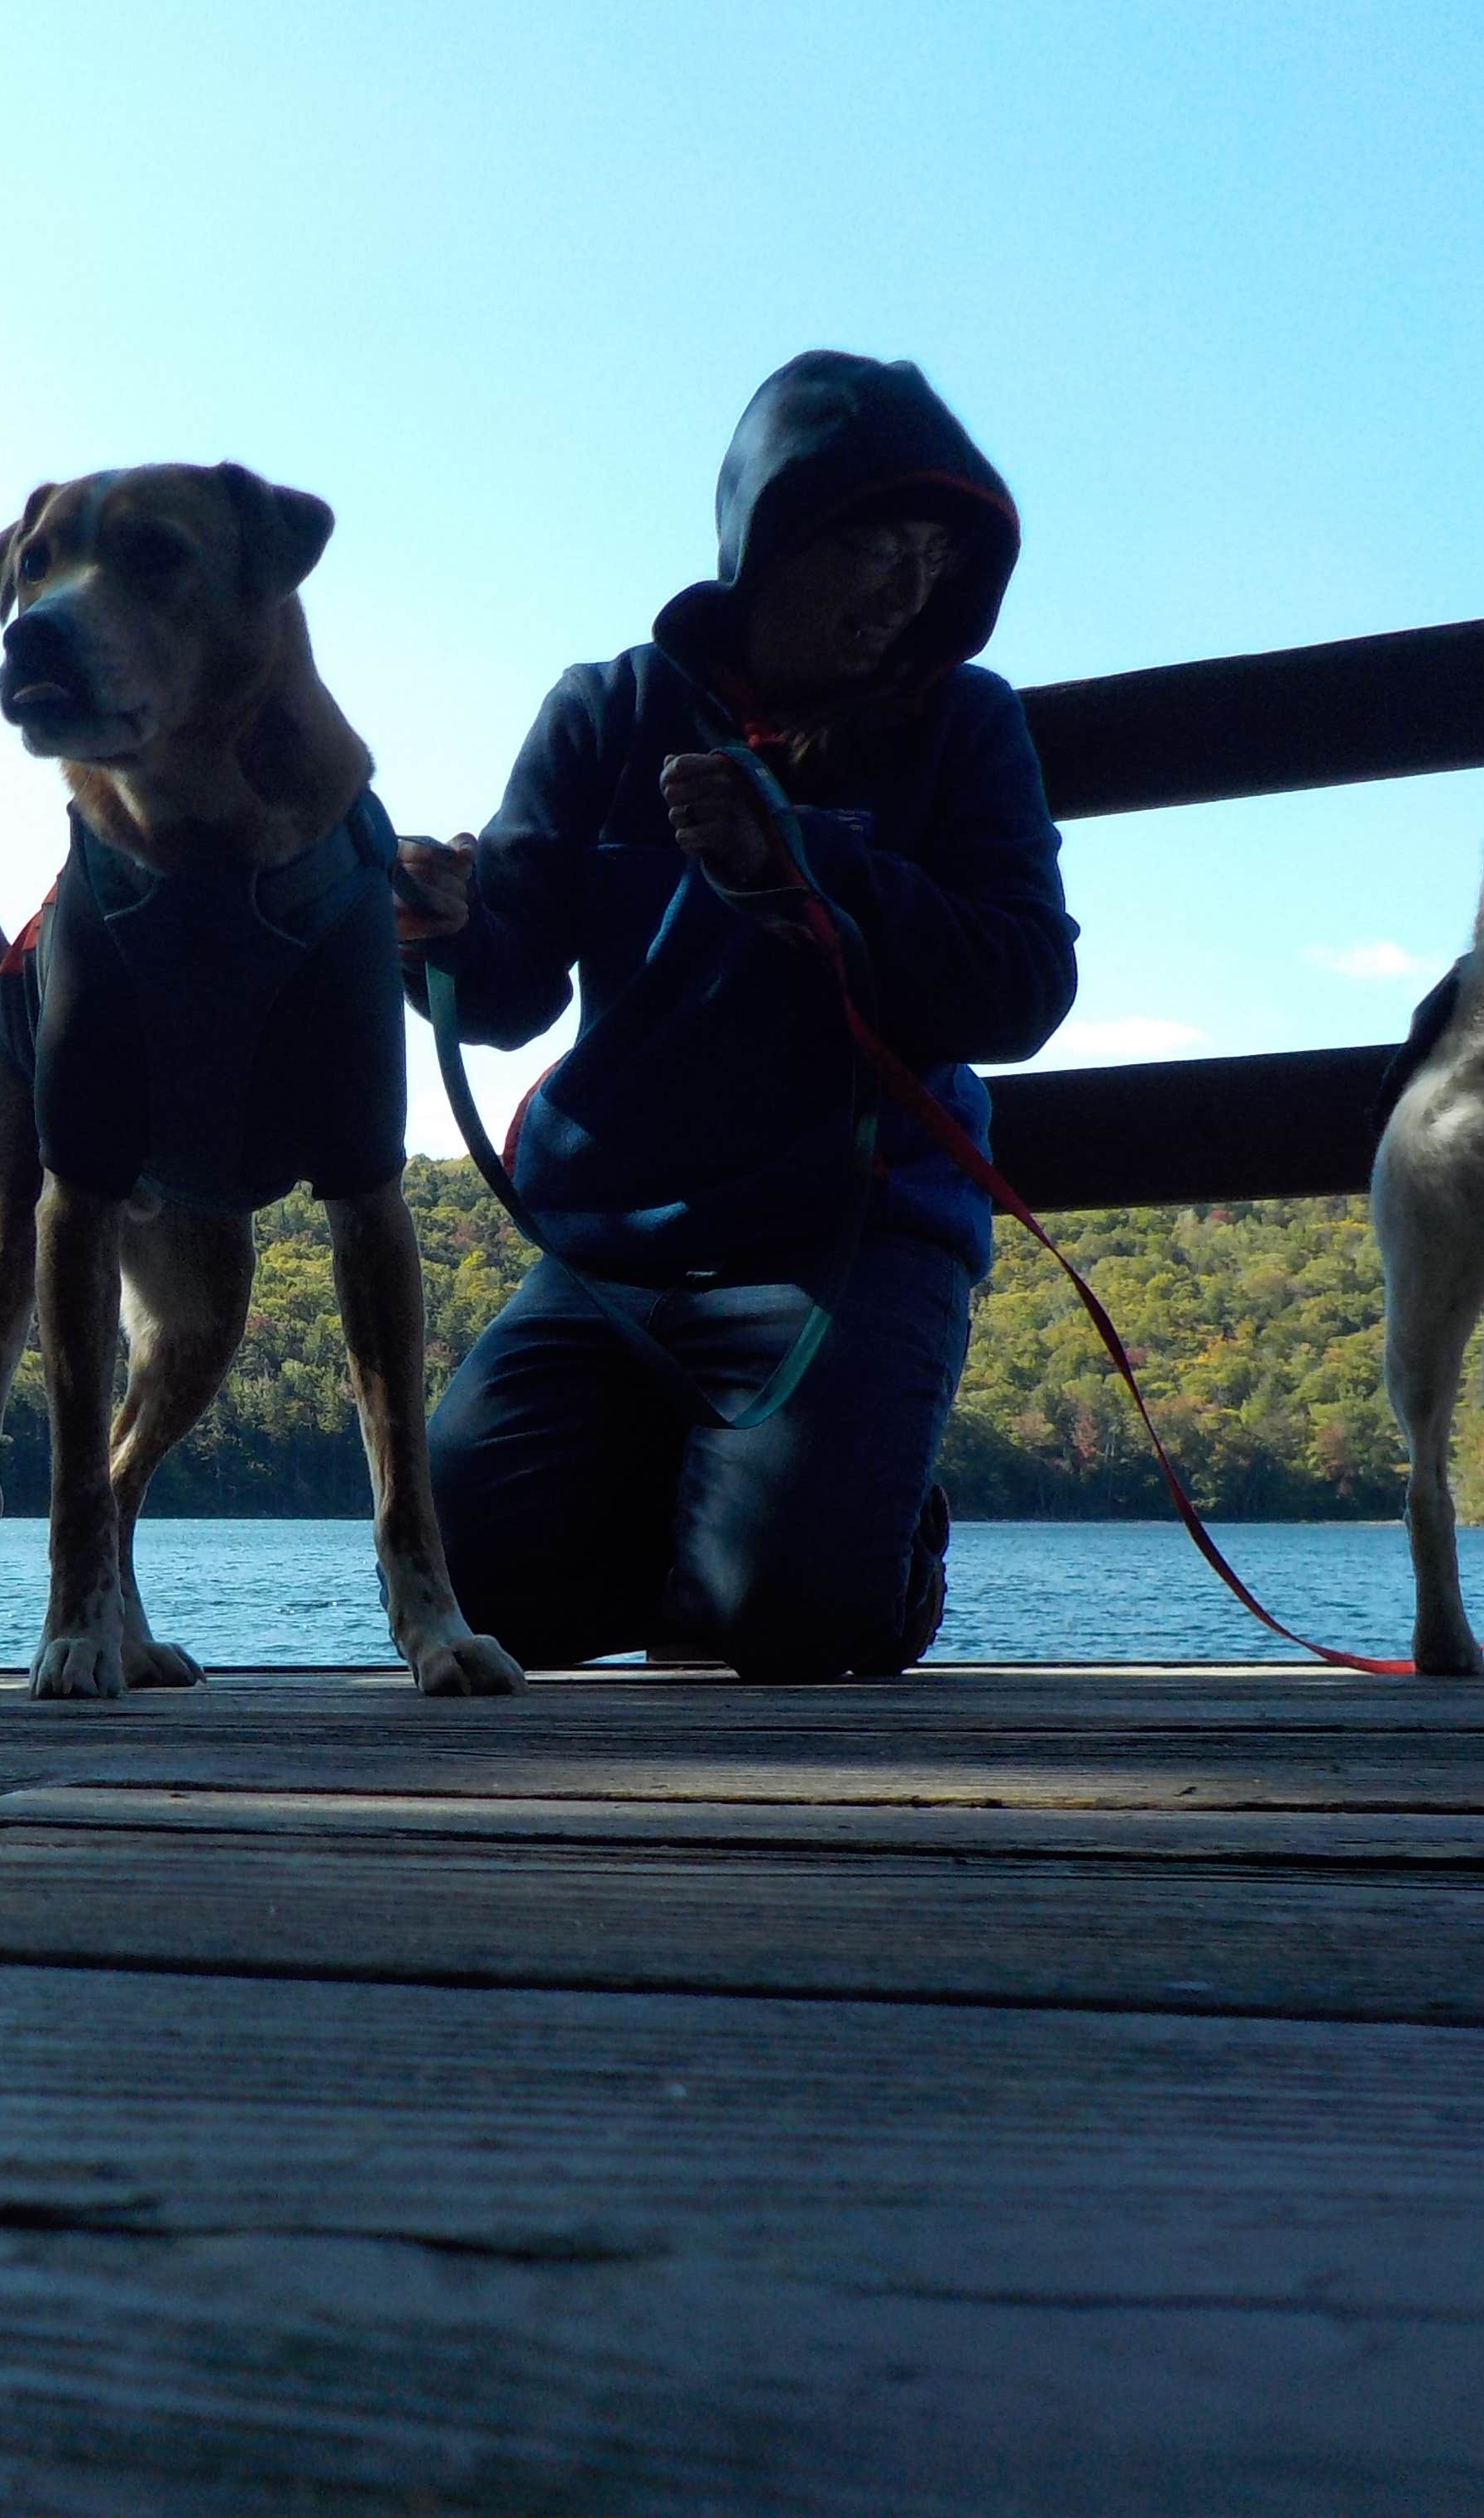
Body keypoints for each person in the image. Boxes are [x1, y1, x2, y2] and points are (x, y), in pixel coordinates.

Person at [395, 352, 1077, 1679]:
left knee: (784, 1623)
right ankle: (745, 1496)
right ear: (768, 537)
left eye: (934, 556)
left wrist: (811, 865)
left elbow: (1023, 989)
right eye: (874, 543)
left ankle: (863, 1532)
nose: (909, 586)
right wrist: (433, 928)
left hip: (850, 1245)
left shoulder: (968, 728)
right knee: (463, 1587)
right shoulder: (605, 712)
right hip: (609, 1268)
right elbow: (513, 985)